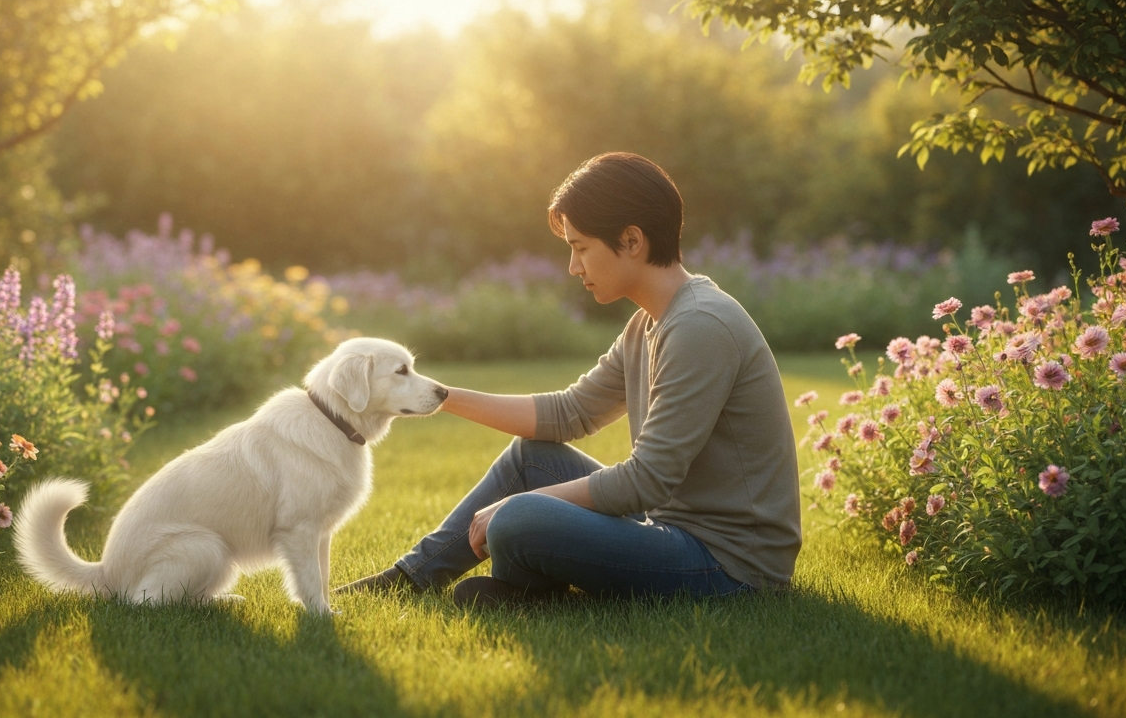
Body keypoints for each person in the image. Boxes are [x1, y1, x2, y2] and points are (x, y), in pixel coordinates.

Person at [337, 152, 801, 608]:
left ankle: (539, 591)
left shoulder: (701, 326)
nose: (573, 267)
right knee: (530, 458)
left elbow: (647, 481)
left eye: (580, 248)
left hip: (730, 566)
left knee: (520, 515)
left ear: (632, 240)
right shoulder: (649, 324)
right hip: (674, 530)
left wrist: (518, 506)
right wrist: (440, 396)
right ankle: (413, 578)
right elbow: (569, 413)